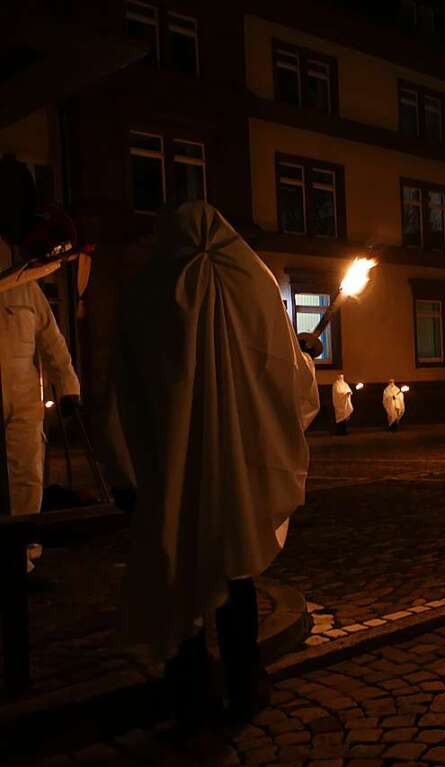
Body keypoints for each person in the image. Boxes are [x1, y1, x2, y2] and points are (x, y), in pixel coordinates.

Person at [109, 202, 319, 727]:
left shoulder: (147, 291)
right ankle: (245, 676)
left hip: (173, 459)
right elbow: (282, 371)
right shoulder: (255, 283)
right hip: (238, 459)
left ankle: (190, 683)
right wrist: (306, 361)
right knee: (235, 562)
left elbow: (126, 387)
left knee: (180, 561)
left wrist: (129, 466)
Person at [0, 160, 81, 574]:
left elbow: (51, 339)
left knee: (27, 476)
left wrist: (68, 387)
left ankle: (25, 559)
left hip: (25, 397)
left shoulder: (28, 290)